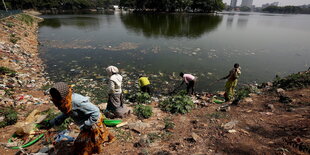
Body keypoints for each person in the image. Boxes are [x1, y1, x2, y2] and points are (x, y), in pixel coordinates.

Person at [49, 82, 115, 155]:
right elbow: (66, 113)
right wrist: (53, 122)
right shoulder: (67, 101)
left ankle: (99, 144)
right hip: (87, 121)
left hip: (92, 122)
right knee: (96, 136)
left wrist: (86, 125)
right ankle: (109, 137)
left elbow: (95, 112)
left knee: (81, 147)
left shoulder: (77, 101)